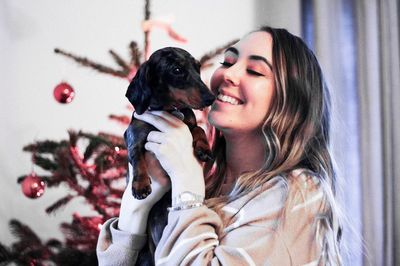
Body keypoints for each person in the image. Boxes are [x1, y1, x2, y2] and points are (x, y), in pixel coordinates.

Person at [97, 26, 343, 265]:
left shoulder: (299, 195)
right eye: (227, 62)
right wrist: (135, 209)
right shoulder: (211, 185)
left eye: (255, 71)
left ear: (292, 105)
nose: (228, 74)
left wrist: (188, 191)